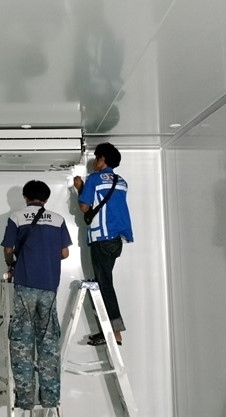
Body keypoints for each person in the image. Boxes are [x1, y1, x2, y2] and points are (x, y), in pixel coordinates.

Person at [1, 180, 72, 410]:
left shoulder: (16, 217)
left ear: (25, 197)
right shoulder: (58, 219)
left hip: (25, 285)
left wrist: (11, 263)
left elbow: (8, 249)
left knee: (22, 342)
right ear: (46, 198)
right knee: (48, 343)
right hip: (49, 287)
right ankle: (50, 399)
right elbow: (64, 253)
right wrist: (46, 255)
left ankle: (25, 399)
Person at [73, 142, 133, 346]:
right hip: (117, 240)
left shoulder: (95, 179)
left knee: (104, 284)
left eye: (96, 158)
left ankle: (114, 332)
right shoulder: (122, 181)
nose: (94, 162)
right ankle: (108, 330)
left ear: (102, 159)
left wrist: (80, 189)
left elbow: (84, 207)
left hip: (101, 238)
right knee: (103, 282)